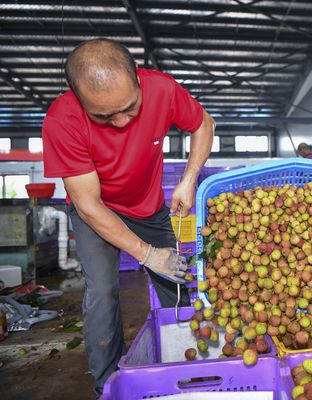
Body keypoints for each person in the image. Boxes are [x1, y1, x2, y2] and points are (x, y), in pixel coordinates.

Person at [41, 38, 215, 396]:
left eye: (129, 107)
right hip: (98, 211)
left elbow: (203, 124)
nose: (120, 122)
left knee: (178, 283)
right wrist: (147, 254)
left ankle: (196, 366)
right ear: (78, 99)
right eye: (103, 115)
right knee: (103, 291)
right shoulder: (62, 120)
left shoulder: (162, 89)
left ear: (137, 77)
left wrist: (188, 178)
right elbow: (89, 206)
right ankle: (108, 384)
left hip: (148, 206)